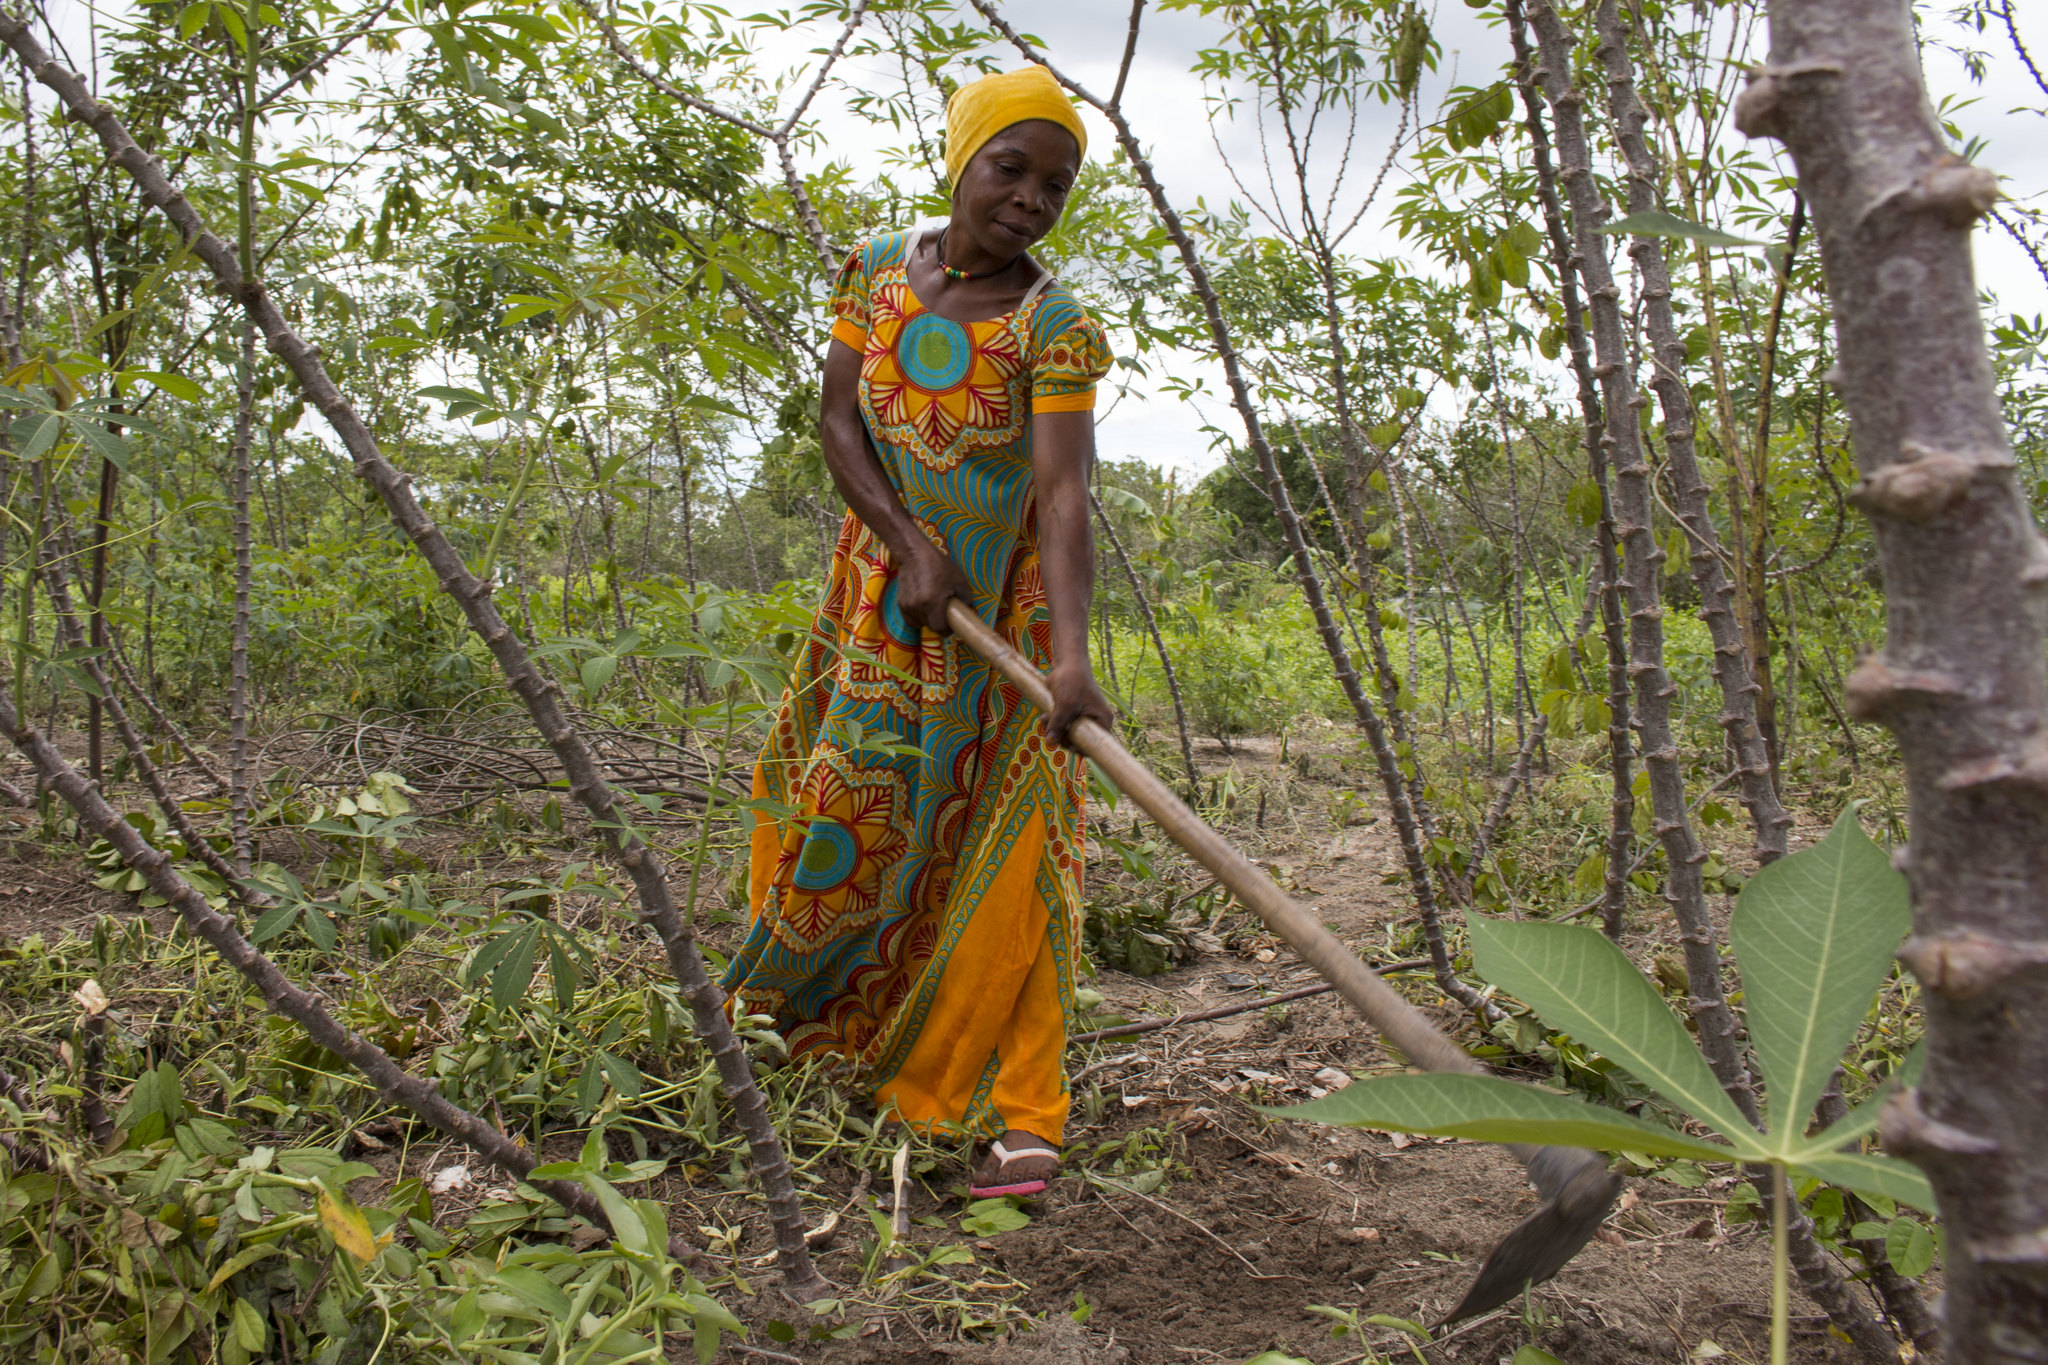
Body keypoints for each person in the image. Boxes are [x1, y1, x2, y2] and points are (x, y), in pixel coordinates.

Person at [722, 65, 1114, 1198]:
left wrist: (1071, 660)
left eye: (1057, 183)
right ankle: (800, 1034)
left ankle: (1021, 1107)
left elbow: (1066, 498)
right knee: (830, 801)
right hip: (879, 601)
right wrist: (905, 542)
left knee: (1012, 856)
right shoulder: (878, 273)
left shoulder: (1056, 326)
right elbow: (836, 419)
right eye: (1012, 168)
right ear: (960, 159)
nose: (1032, 198)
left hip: (1002, 622)